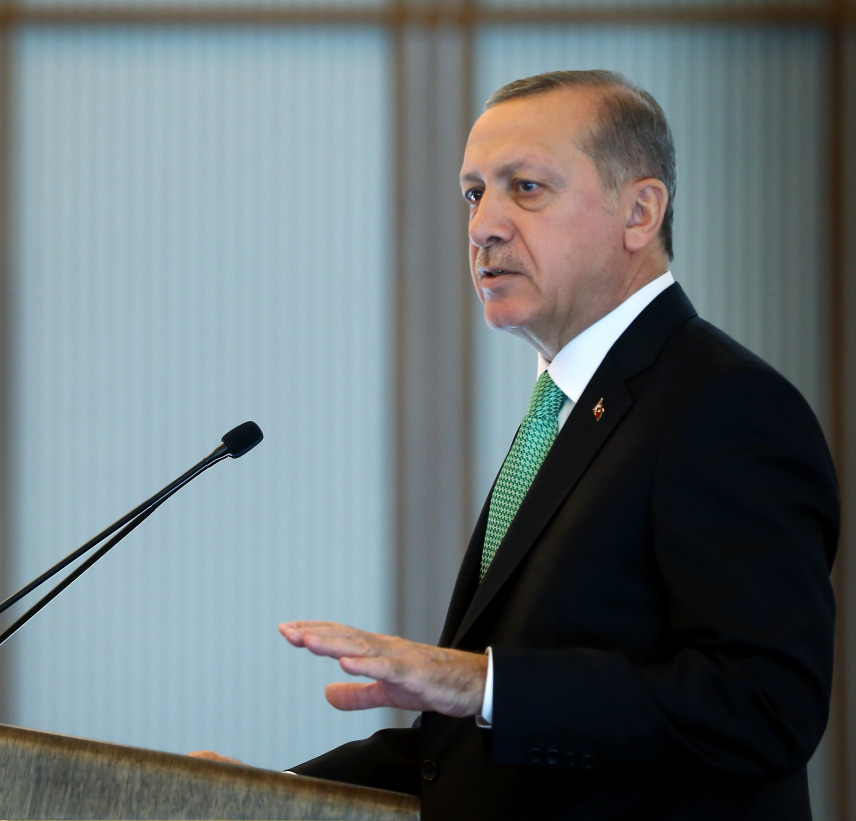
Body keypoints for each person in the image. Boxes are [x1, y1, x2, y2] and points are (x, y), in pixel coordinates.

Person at [197, 70, 840, 819]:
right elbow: (465, 752)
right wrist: (264, 798)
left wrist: (483, 683)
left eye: (526, 188)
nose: (484, 227)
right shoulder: (567, 409)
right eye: (474, 194)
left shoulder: (722, 404)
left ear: (640, 212)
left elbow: (766, 707)